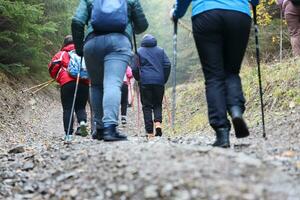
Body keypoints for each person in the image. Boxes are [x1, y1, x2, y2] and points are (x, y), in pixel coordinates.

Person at [171, 0, 255, 147]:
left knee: (214, 76)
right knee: (232, 71)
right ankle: (236, 110)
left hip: (206, 14)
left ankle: (222, 133)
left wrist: (176, 13)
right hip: (239, 14)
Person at [72, 0, 148, 141]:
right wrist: (129, 25)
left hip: (92, 44)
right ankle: (110, 128)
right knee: (112, 82)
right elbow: (142, 25)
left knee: (96, 85)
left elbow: (77, 21)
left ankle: (99, 128)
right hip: (119, 42)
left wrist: (78, 47)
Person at [48, 35, 89, 140]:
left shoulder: (62, 54)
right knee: (80, 107)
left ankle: (68, 135)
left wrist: (58, 78)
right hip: (83, 83)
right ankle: (82, 123)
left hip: (67, 83)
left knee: (68, 108)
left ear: (65, 43)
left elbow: (53, 67)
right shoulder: (84, 54)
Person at [132, 34, 171, 138]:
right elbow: (167, 65)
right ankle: (158, 124)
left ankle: (150, 133)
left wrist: (138, 79)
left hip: (145, 82)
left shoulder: (138, 52)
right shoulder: (161, 51)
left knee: (147, 106)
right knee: (158, 104)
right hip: (159, 82)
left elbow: (134, 69)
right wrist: (163, 79)